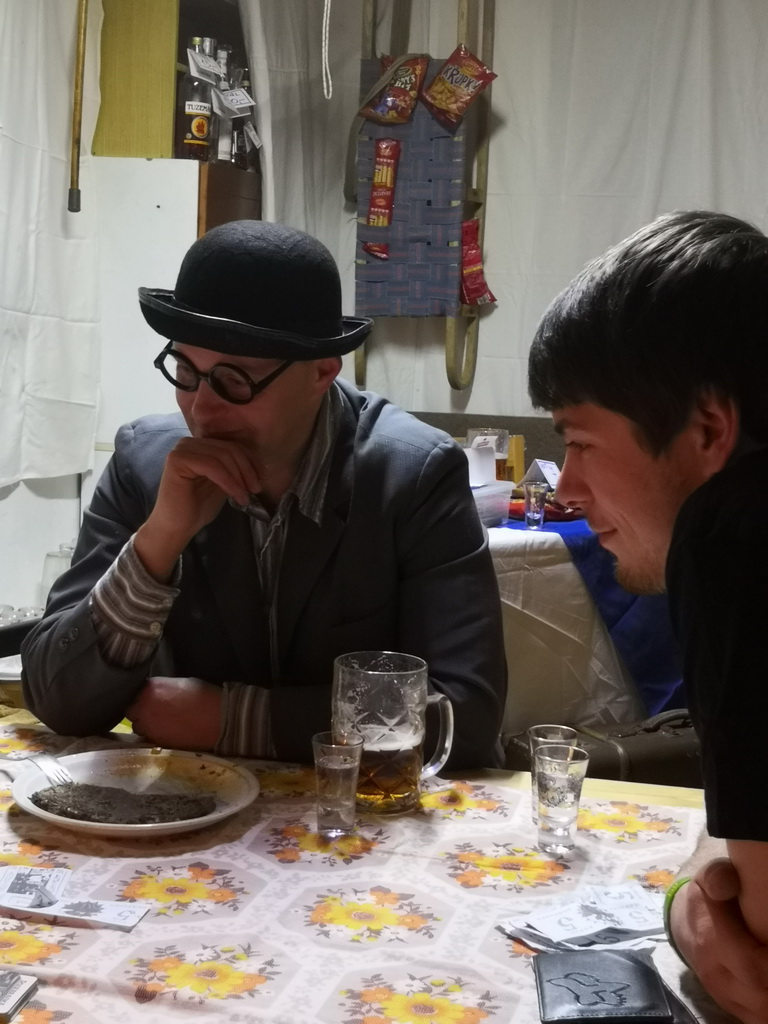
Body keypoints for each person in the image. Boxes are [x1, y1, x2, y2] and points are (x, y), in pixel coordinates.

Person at [22, 220, 506, 769]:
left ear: (322, 372)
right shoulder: (145, 464)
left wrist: (236, 720)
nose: (201, 410)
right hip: (198, 807)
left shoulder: (413, 475)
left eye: (235, 380)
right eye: (186, 371)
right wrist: (158, 541)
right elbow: (58, 700)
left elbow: (465, 713)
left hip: (369, 808)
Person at [526, 210, 768, 1022]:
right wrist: (692, 895)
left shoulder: (737, 533)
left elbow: (754, 963)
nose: (565, 489)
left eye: (580, 442)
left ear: (708, 428)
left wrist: (690, 906)